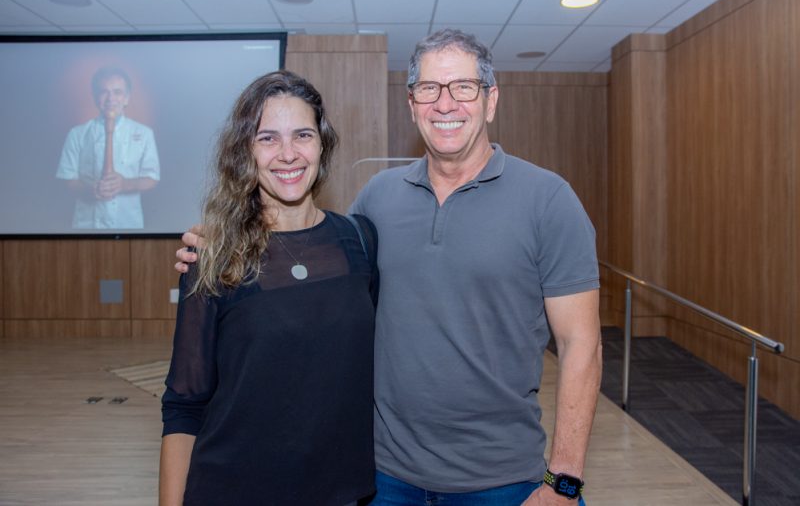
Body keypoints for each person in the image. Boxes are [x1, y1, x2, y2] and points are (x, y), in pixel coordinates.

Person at [177, 29, 601, 505]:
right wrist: (218, 238)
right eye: (428, 89)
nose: (445, 104)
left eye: (462, 87)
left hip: (504, 480)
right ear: (411, 103)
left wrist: (564, 482)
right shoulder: (377, 200)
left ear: (490, 100)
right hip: (383, 477)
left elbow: (580, 343)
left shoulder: (548, 200)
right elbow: (310, 256)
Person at [159, 70, 379, 506]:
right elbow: (183, 404)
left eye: (302, 134)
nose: (288, 154)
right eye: (267, 138)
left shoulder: (360, 241)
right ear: (246, 151)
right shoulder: (213, 255)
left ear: (322, 144)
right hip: (232, 490)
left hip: (339, 492)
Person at [56, 66, 160, 229]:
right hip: (87, 224)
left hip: (128, 223)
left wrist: (124, 184)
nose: (110, 98)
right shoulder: (77, 134)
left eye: (117, 92)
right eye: (104, 92)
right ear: (95, 97)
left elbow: (152, 178)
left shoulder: (144, 133)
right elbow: (68, 179)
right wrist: (91, 190)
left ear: (126, 98)